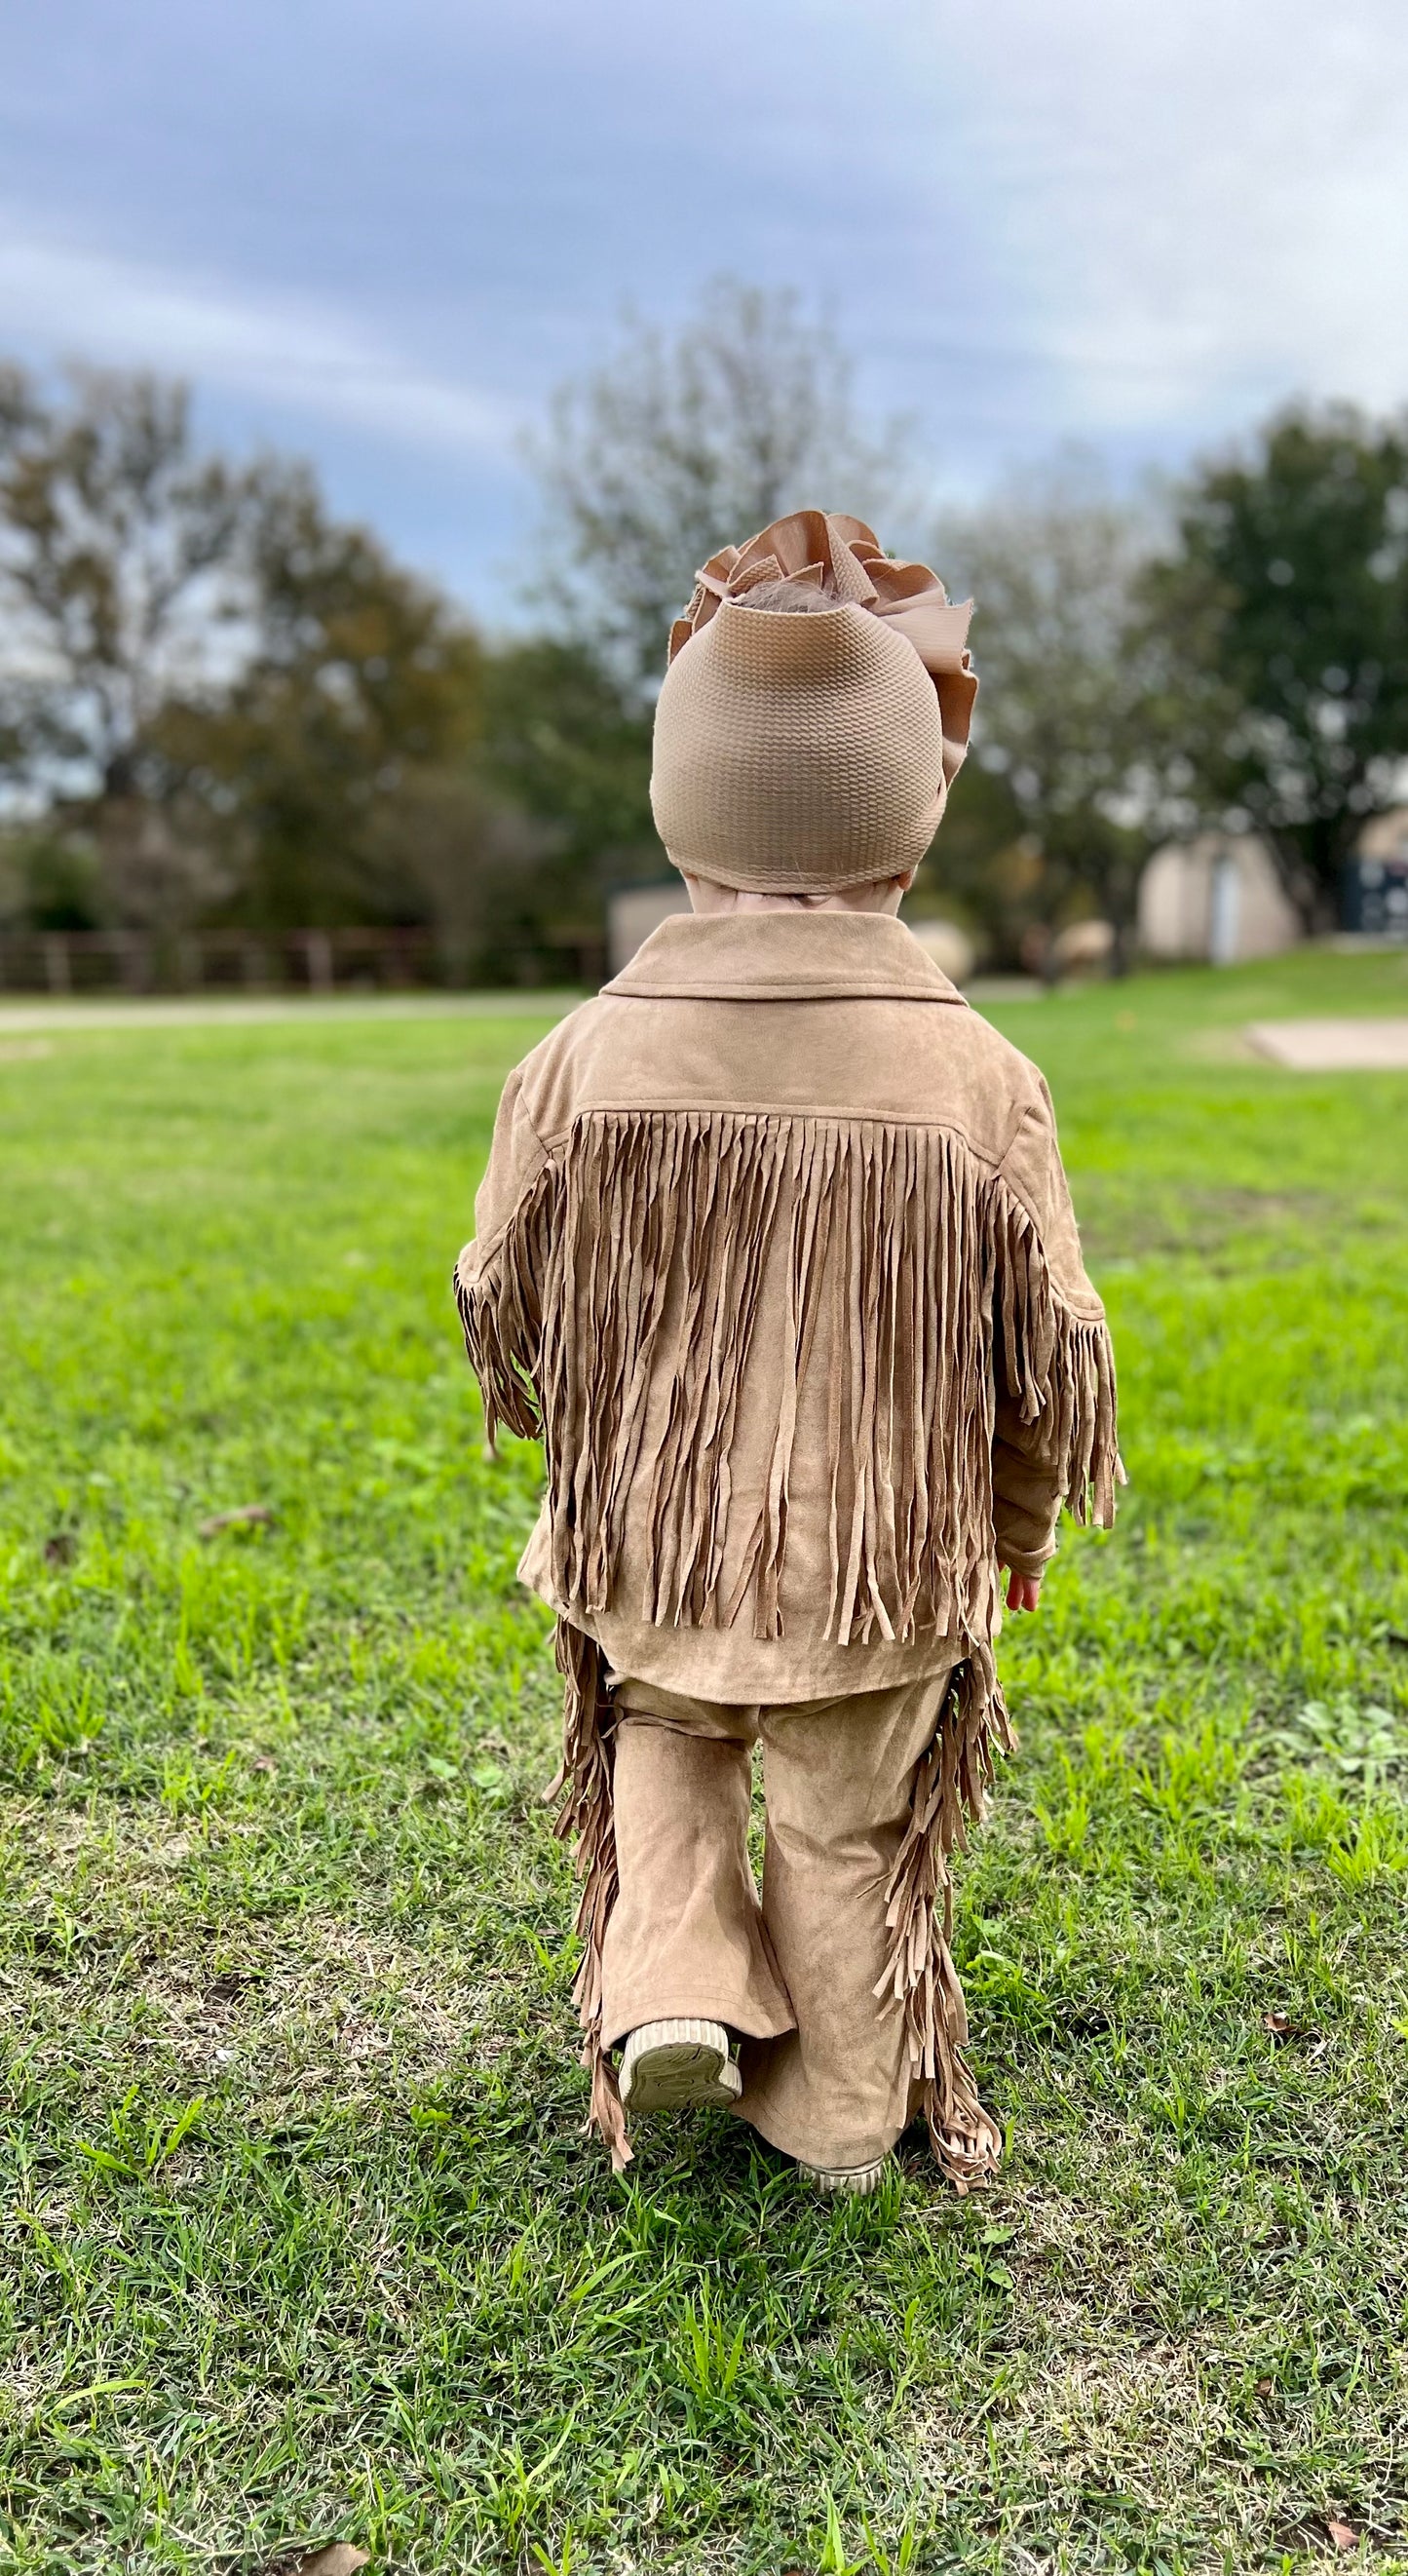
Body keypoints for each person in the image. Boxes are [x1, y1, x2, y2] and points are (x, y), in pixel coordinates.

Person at [456, 510, 1120, 2194]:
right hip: (877, 1577)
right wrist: (1014, 1538)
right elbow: (1044, 1363)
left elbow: (498, 1285)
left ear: (682, 811)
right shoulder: (978, 1078)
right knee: (846, 1833)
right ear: (908, 827)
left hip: (653, 1549)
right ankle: (833, 2123)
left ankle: (671, 1984)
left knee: (663, 1746)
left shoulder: (579, 1053)